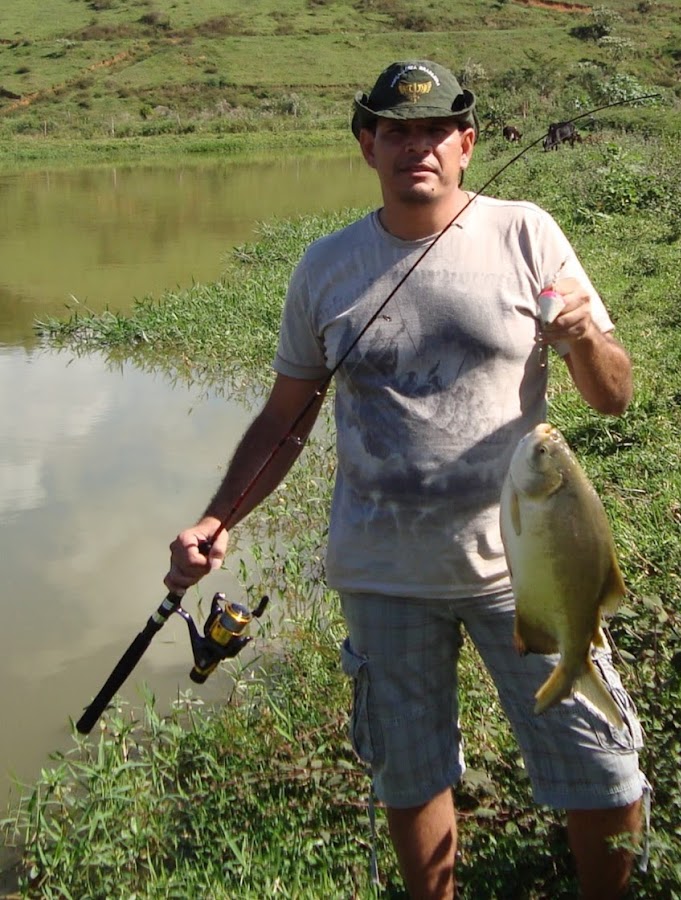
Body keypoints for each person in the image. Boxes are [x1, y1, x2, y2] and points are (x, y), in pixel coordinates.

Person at [166, 59, 647, 900]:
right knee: (410, 774)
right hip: (383, 573)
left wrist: (581, 339)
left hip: (524, 571)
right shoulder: (326, 268)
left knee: (602, 767)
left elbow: (613, 398)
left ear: (466, 143)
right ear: (368, 145)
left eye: (434, 131)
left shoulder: (527, 232)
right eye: (396, 130)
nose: (416, 146)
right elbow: (286, 419)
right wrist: (219, 517)